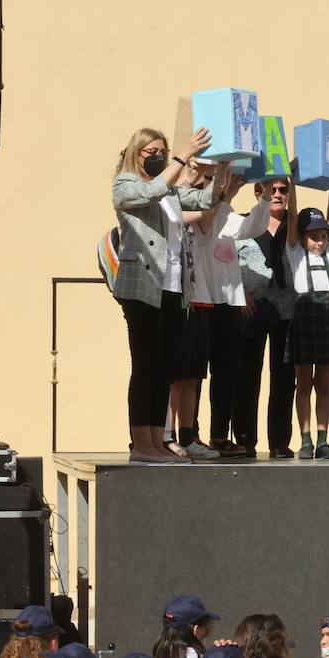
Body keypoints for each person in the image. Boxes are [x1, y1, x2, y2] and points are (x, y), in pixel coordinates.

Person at [109, 125, 216, 463]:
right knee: (146, 366)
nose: (158, 156)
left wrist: (226, 173)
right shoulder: (126, 184)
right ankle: (141, 444)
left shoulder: (170, 191)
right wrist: (181, 157)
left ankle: (157, 442)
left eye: (162, 151)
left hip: (172, 288)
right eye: (151, 152)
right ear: (135, 153)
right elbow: (148, 193)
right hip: (142, 287)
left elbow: (205, 200)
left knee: (165, 367)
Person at [183, 162, 270, 461]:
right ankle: (188, 433)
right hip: (203, 299)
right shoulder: (199, 211)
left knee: (226, 373)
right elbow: (209, 227)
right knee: (195, 372)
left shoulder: (225, 212)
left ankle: (219, 435)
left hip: (229, 300)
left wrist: (266, 193)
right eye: (209, 179)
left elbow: (252, 228)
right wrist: (224, 190)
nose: (215, 183)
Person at [233, 175, 298, 460]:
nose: (278, 194)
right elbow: (226, 259)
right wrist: (240, 291)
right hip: (252, 307)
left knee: (284, 378)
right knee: (247, 376)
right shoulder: (243, 223)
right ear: (258, 192)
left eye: (283, 190)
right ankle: (245, 440)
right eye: (271, 190)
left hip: (286, 309)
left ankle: (280, 442)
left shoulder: (294, 225)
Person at [282, 182, 329, 460]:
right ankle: (305, 439)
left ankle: (323, 439)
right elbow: (293, 214)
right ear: (302, 237)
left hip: (328, 321)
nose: (319, 241)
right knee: (304, 384)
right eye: (313, 236)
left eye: (322, 235)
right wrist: (292, 184)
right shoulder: (295, 253)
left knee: (325, 385)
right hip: (305, 319)